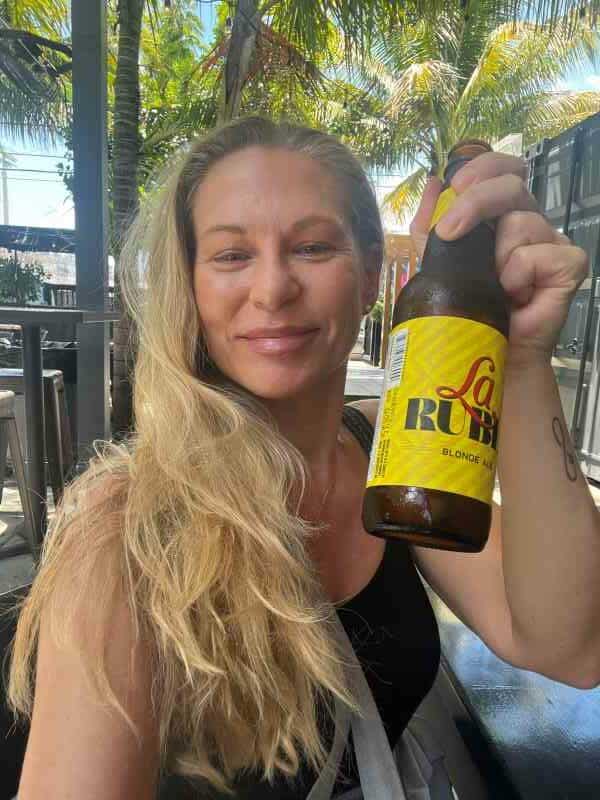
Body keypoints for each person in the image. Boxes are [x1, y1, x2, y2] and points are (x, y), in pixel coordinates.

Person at [7, 117, 599, 800]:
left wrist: (522, 359)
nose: (272, 290)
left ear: (372, 270)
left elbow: (571, 647)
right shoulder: (124, 529)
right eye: (232, 256)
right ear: (190, 285)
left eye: (313, 247)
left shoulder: (393, 453)